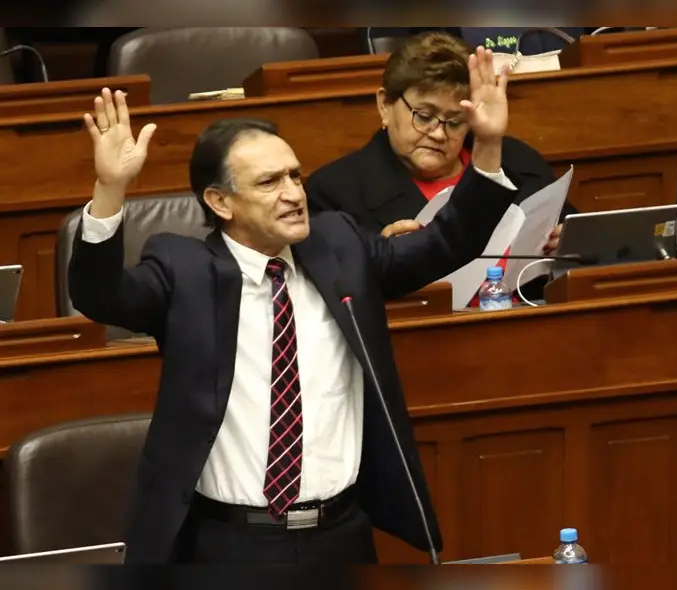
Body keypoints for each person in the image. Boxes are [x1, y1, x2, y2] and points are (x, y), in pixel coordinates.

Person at [67, 46, 516, 566]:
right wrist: (110, 189)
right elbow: (100, 296)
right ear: (220, 203)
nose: (293, 194)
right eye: (268, 182)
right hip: (228, 544)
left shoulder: (339, 245)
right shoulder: (183, 270)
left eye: (294, 176)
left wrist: (487, 143)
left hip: (340, 536)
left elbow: (445, 244)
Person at [306, 31, 575, 304]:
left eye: (456, 121)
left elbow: (577, 242)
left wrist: (566, 243)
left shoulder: (517, 161)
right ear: (385, 105)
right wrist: (381, 261)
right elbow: (331, 300)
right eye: (424, 117)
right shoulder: (334, 193)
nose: (438, 133)